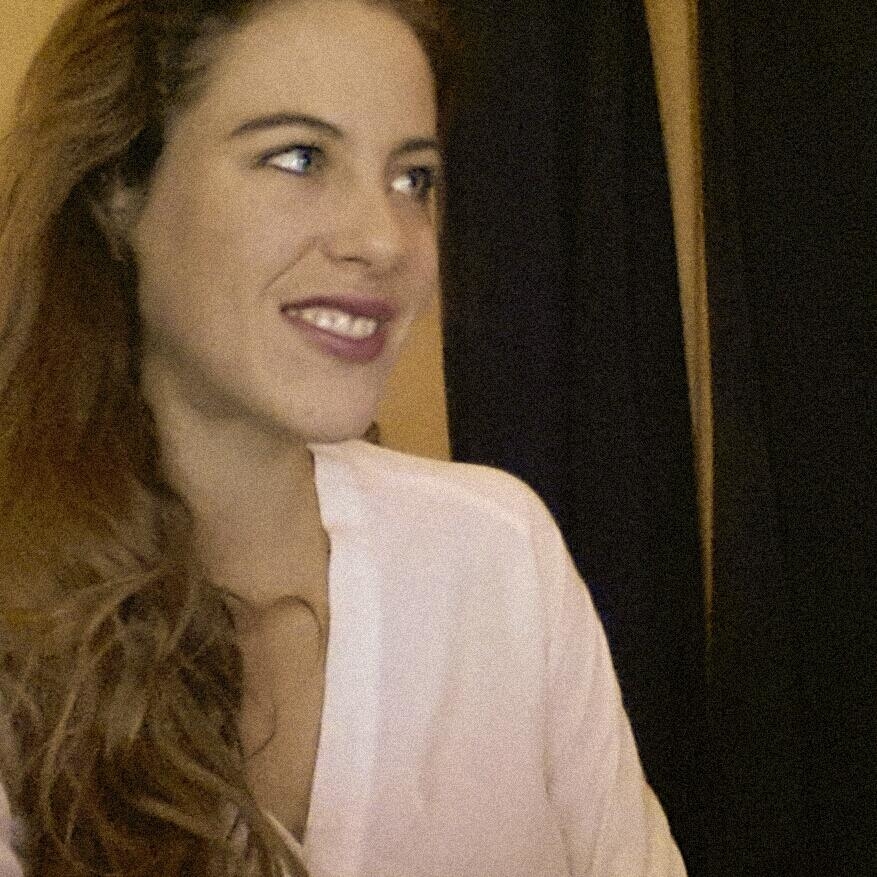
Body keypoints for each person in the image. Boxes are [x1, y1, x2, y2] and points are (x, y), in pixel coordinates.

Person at [0, 0, 688, 874]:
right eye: (299, 157)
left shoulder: (497, 554)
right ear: (116, 189)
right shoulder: (20, 616)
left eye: (414, 179)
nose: (384, 240)